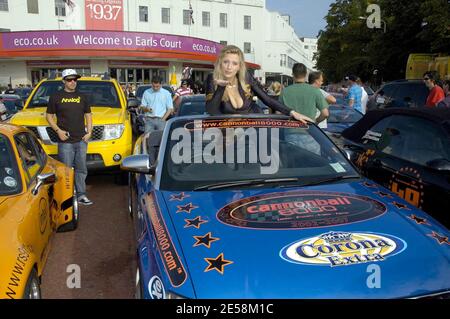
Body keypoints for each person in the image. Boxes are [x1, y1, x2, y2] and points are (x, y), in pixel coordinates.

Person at [205, 45, 310, 122]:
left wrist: (292, 112)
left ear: (239, 67)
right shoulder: (213, 78)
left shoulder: (246, 77)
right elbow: (212, 110)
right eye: (226, 62)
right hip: (228, 137)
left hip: (253, 133)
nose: (229, 67)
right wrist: (221, 88)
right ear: (220, 63)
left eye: (234, 63)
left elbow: (267, 99)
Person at [46, 69, 93, 205]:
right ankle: (67, 197)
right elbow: (49, 116)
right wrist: (58, 131)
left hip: (81, 140)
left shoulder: (82, 96)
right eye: (69, 80)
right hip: (65, 141)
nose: (73, 82)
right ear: (63, 81)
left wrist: (89, 132)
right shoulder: (56, 97)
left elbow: (88, 115)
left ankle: (81, 195)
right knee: (66, 170)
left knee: (81, 169)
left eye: (75, 80)